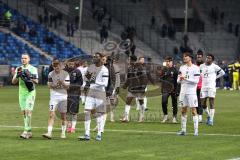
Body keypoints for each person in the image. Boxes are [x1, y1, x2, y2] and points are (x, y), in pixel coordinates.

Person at [78, 52, 109, 141]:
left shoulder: (104, 69)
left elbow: (105, 84)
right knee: (87, 112)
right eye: (94, 57)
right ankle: (87, 134)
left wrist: (94, 82)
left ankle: (99, 134)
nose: (94, 58)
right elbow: (86, 78)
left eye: (96, 57)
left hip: (100, 93)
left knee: (99, 114)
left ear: (100, 59)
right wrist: (85, 82)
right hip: (91, 92)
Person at [12, 53, 38, 139]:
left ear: (29, 59)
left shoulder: (33, 69)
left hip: (30, 92)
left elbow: (37, 81)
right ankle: (29, 131)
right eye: (22, 58)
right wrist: (18, 75)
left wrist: (29, 76)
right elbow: (13, 82)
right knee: (24, 113)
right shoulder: (18, 69)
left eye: (25, 58)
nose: (23, 60)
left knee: (28, 111)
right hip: (21, 93)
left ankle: (25, 131)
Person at [120, 55, 154, 122]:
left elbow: (144, 78)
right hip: (131, 88)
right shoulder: (130, 68)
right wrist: (125, 86)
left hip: (139, 89)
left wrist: (143, 88)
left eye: (129, 60)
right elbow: (128, 78)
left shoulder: (140, 67)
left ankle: (142, 117)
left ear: (132, 60)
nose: (128, 61)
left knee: (141, 102)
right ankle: (126, 118)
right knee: (128, 101)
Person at [42, 59, 70, 139]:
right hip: (53, 97)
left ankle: (63, 132)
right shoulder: (50, 74)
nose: (56, 67)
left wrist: (62, 83)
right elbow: (49, 86)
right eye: (54, 65)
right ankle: (49, 132)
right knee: (51, 115)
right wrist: (54, 85)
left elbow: (67, 87)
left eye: (57, 65)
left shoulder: (66, 74)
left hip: (63, 97)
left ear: (60, 65)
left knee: (63, 116)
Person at [177, 51, 200, 136]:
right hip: (182, 92)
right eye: (184, 57)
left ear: (190, 58)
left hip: (191, 93)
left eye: (186, 57)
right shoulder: (181, 68)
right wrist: (180, 79)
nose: (184, 58)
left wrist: (185, 78)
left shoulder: (196, 68)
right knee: (183, 110)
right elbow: (178, 80)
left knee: (194, 111)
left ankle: (196, 131)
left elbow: (196, 81)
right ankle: (183, 130)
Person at [200, 54, 225, 126]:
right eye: (207, 58)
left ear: (212, 60)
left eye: (209, 58)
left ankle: (211, 120)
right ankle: (208, 115)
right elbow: (199, 73)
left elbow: (222, 72)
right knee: (202, 103)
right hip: (203, 87)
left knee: (211, 102)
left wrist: (215, 77)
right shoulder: (202, 66)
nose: (207, 59)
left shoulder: (215, 66)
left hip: (211, 87)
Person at [65, 59, 83, 133]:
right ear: (67, 64)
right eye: (70, 64)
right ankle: (68, 125)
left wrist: (71, 86)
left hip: (75, 94)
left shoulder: (77, 71)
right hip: (64, 94)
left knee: (74, 111)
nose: (71, 65)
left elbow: (80, 82)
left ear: (74, 64)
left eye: (72, 64)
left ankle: (73, 127)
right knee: (66, 111)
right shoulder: (63, 71)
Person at [160, 56, 178, 123]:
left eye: (168, 61)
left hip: (173, 89)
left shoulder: (175, 70)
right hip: (165, 89)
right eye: (166, 61)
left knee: (174, 104)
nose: (167, 63)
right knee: (164, 102)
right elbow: (160, 79)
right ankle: (165, 115)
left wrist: (177, 90)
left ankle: (174, 117)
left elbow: (177, 81)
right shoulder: (164, 69)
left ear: (171, 62)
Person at [195, 51, 204, 122]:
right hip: (195, 86)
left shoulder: (205, 66)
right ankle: (197, 115)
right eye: (198, 57)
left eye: (200, 57)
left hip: (202, 87)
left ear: (202, 57)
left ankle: (200, 115)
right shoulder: (194, 66)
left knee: (200, 101)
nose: (199, 58)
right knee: (195, 101)